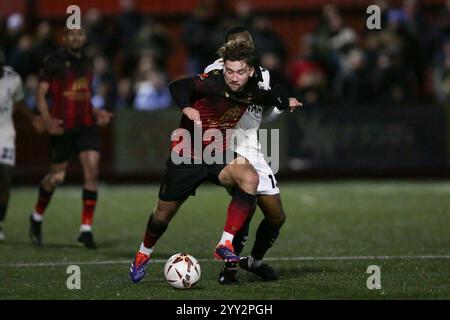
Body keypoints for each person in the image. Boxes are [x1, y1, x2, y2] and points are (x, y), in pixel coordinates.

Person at [129, 39, 301, 283]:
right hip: (186, 155)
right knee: (162, 215)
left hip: (217, 154)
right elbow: (177, 86)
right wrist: (187, 108)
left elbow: (271, 96)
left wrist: (287, 101)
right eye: (230, 71)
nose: (234, 77)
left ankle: (225, 243)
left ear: (251, 71)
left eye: (240, 72)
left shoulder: (253, 90)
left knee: (249, 177)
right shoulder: (213, 82)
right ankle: (143, 254)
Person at [205, 25, 290, 284]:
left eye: (249, 43)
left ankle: (254, 261)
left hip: (253, 148)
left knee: (276, 216)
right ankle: (229, 270)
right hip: (227, 148)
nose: (247, 47)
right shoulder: (215, 72)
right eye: (241, 43)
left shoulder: (261, 74)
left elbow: (265, 112)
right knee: (248, 205)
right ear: (227, 48)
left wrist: (280, 106)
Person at [28, 28, 113, 249]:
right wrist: (46, 120)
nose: (76, 38)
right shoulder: (54, 60)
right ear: (64, 38)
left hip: (86, 126)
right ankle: (36, 216)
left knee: (92, 172)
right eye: (71, 35)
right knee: (56, 177)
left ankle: (86, 231)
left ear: (84, 37)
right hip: (62, 126)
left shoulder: (87, 62)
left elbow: (84, 96)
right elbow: (40, 94)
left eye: (80, 34)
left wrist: (97, 113)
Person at [0, 49, 43, 241]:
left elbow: (20, 102)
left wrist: (33, 118)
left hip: (5, 134)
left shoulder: (13, 78)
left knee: (5, 176)